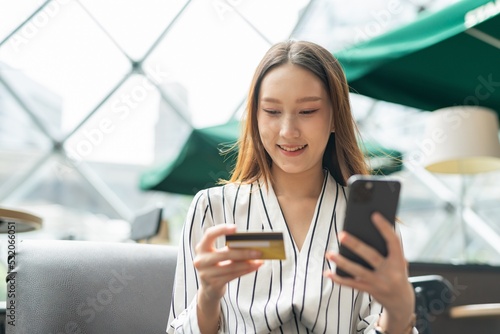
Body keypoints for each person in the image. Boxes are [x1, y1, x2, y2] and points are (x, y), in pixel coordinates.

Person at [167, 40, 416, 334]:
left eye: (307, 111)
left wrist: (399, 313)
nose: (288, 131)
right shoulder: (213, 208)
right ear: (255, 119)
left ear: (336, 117)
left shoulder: (368, 218)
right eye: (272, 112)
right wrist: (207, 298)